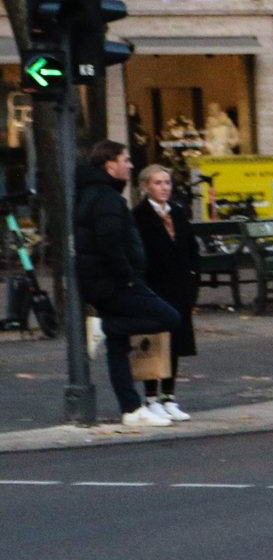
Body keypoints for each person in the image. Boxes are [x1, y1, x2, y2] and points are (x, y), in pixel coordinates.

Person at [73, 140, 179, 429]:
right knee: (168, 317)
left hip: (101, 281)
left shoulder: (91, 193)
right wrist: (128, 277)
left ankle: (131, 409)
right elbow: (110, 243)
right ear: (111, 164)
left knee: (119, 348)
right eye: (126, 159)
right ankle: (101, 328)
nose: (130, 165)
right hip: (114, 282)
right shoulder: (107, 197)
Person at [133, 164, 200, 421]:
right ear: (145, 186)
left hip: (180, 285)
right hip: (155, 285)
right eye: (158, 183)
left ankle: (169, 396)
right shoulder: (138, 216)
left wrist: (193, 274)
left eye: (167, 182)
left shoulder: (179, 213)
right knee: (153, 342)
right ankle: (151, 397)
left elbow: (190, 246)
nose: (165, 187)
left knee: (175, 342)